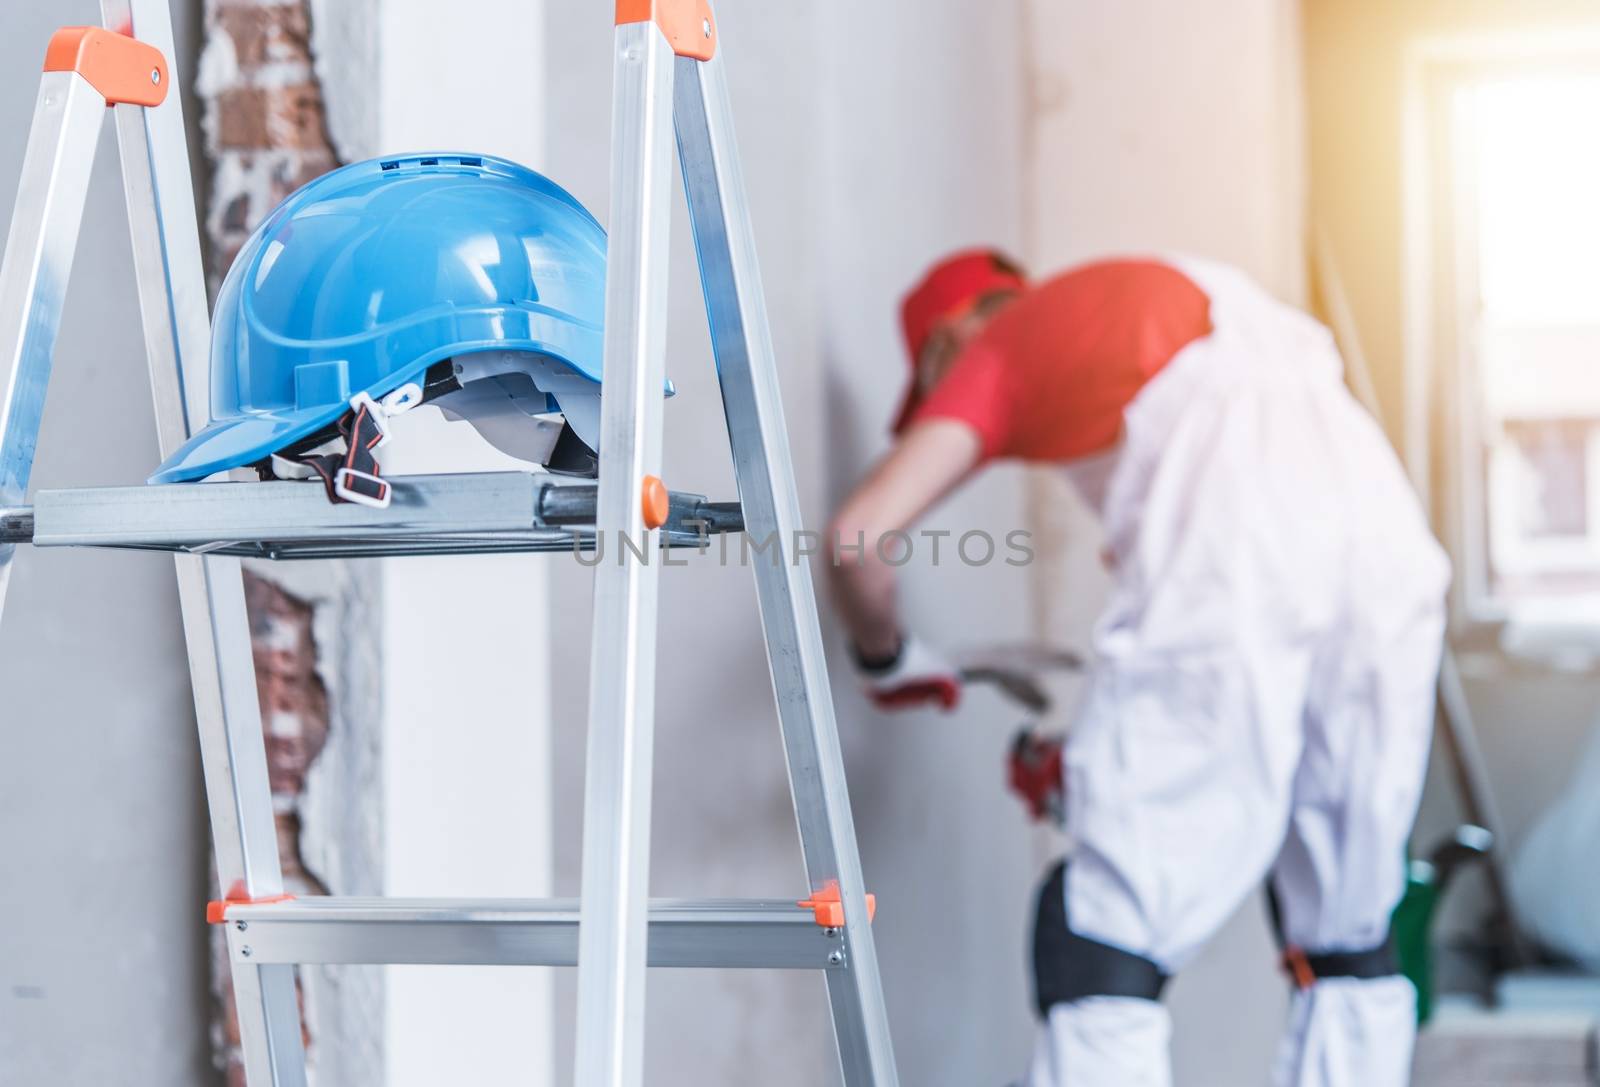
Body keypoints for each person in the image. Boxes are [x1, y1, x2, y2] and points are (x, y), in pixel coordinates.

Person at [826, 250, 1450, 1086]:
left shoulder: (1002, 348)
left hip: (1252, 553)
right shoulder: (1175, 319)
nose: (944, 403)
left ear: (950, 337)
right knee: (1349, 937)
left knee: (1099, 938)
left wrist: (886, 656)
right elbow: (1225, 673)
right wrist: (1090, 764)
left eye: (934, 383)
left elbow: (858, 541)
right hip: (1388, 543)